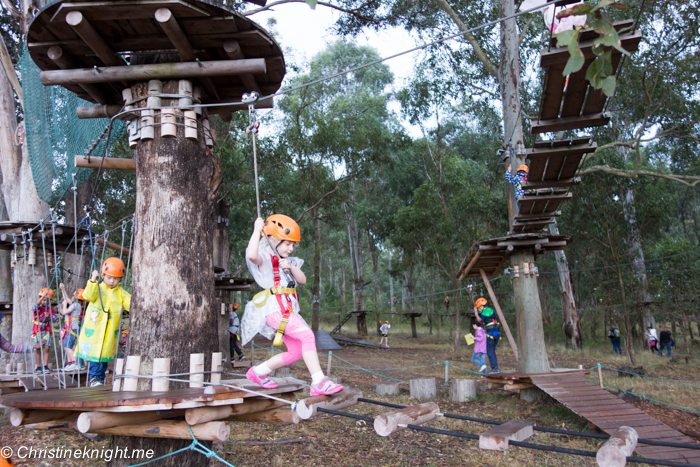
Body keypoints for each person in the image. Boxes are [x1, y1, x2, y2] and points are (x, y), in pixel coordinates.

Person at [240, 215, 343, 396]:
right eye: (287, 243)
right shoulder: (265, 258)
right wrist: (257, 230)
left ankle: (258, 372)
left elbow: (301, 280)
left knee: (295, 352)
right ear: (273, 240)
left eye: (293, 245)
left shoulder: (290, 262)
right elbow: (251, 254)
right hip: (274, 310)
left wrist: (290, 267)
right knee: (307, 335)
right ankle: (319, 381)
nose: (291, 248)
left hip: (287, 310)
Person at [76, 257, 131, 387]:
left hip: (109, 330)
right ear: (103, 275)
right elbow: (88, 296)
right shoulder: (98, 288)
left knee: (104, 354)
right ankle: (95, 378)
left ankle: (100, 377)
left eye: (116, 279)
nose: (112, 281)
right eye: (109, 277)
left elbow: (130, 303)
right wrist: (93, 279)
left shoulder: (120, 293)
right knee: (96, 353)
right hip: (95, 329)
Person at [59, 283, 83, 371]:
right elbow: (66, 299)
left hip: (73, 328)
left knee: (67, 346)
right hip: (72, 329)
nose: (71, 298)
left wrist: (64, 305)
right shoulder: (77, 305)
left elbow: (64, 312)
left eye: (73, 296)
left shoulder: (75, 305)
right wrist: (63, 289)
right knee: (69, 346)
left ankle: (75, 363)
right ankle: (70, 363)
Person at [32, 288, 57, 373]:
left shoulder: (51, 310)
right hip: (37, 331)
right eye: (43, 300)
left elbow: (54, 319)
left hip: (46, 331)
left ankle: (45, 366)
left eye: (47, 300)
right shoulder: (37, 308)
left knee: (46, 348)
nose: (45, 302)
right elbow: (35, 305)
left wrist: (48, 316)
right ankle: (38, 366)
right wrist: (43, 296)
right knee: (38, 349)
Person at [474, 297, 500, 373]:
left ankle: (495, 368)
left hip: (491, 334)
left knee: (489, 351)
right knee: (491, 351)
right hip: (496, 333)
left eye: (479, 308)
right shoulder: (489, 311)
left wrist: (476, 313)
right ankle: (495, 367)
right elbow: (483, 320)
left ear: (482, 306)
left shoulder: (487, 311)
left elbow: (480, 319)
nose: (479, 310)